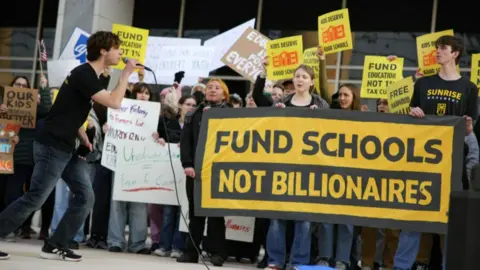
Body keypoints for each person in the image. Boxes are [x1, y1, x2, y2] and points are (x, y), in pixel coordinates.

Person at [0, 31, 139, 261]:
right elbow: (115, 102)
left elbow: (73, 110)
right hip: (52, 144)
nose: (121, 52)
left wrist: (83, 135)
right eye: (117, 48)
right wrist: (125, 75)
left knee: (86, 197)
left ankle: (56, 244)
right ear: (103, 50)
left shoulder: (97, 77)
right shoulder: (83, 73)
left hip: (68, 147)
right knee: (36, 197)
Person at [395, 35, 478, 270]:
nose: (437, 52)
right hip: (422, 160)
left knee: (452, 221)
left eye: (443, 48)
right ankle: (402, 267)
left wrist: (468, 127)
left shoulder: (469, 88)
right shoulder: (423, 84)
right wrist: (414, 113)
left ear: (455, 54)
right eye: (436, 48)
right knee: (413, 217)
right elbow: (412, 117)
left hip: (454, 163)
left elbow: (469, 129)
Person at [177, 79, 230, 266]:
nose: (212, 91)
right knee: (195, 213)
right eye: (209, 88)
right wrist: (187, 164)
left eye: (217, 88)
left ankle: (218, 253)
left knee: (216, 215)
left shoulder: (232, 115)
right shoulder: (194, 114)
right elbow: (186, 142)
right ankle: (191, 252)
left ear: (225, 94)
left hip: (218, 172)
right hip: (196, 172)